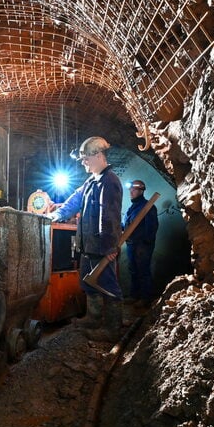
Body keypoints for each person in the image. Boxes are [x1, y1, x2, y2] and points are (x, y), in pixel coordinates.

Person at [46, 136, 124, 342]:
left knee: (108, 286)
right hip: (88, 245)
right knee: (88, 283)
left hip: (102, 247)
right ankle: (93, 318)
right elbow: (74, 201)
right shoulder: (91, 181)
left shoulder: (109, 181)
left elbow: (110, 217)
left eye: (85, 159)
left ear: (98, 156)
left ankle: (112, 329)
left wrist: (109, 247)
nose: (83, 163)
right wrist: (54, 216)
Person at [123, 179, 158, 307]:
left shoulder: (148, 206)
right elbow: (126, 225)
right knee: (133, 270)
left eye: (134, 189)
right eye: (130, 190)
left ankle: (145, 298)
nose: (131, 192)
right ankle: (134, 295)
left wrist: (145, 243)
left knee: (143, 270)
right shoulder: (131, 208)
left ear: (141, 191)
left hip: (142, 245)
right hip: (131, 244)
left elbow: (152, 227)